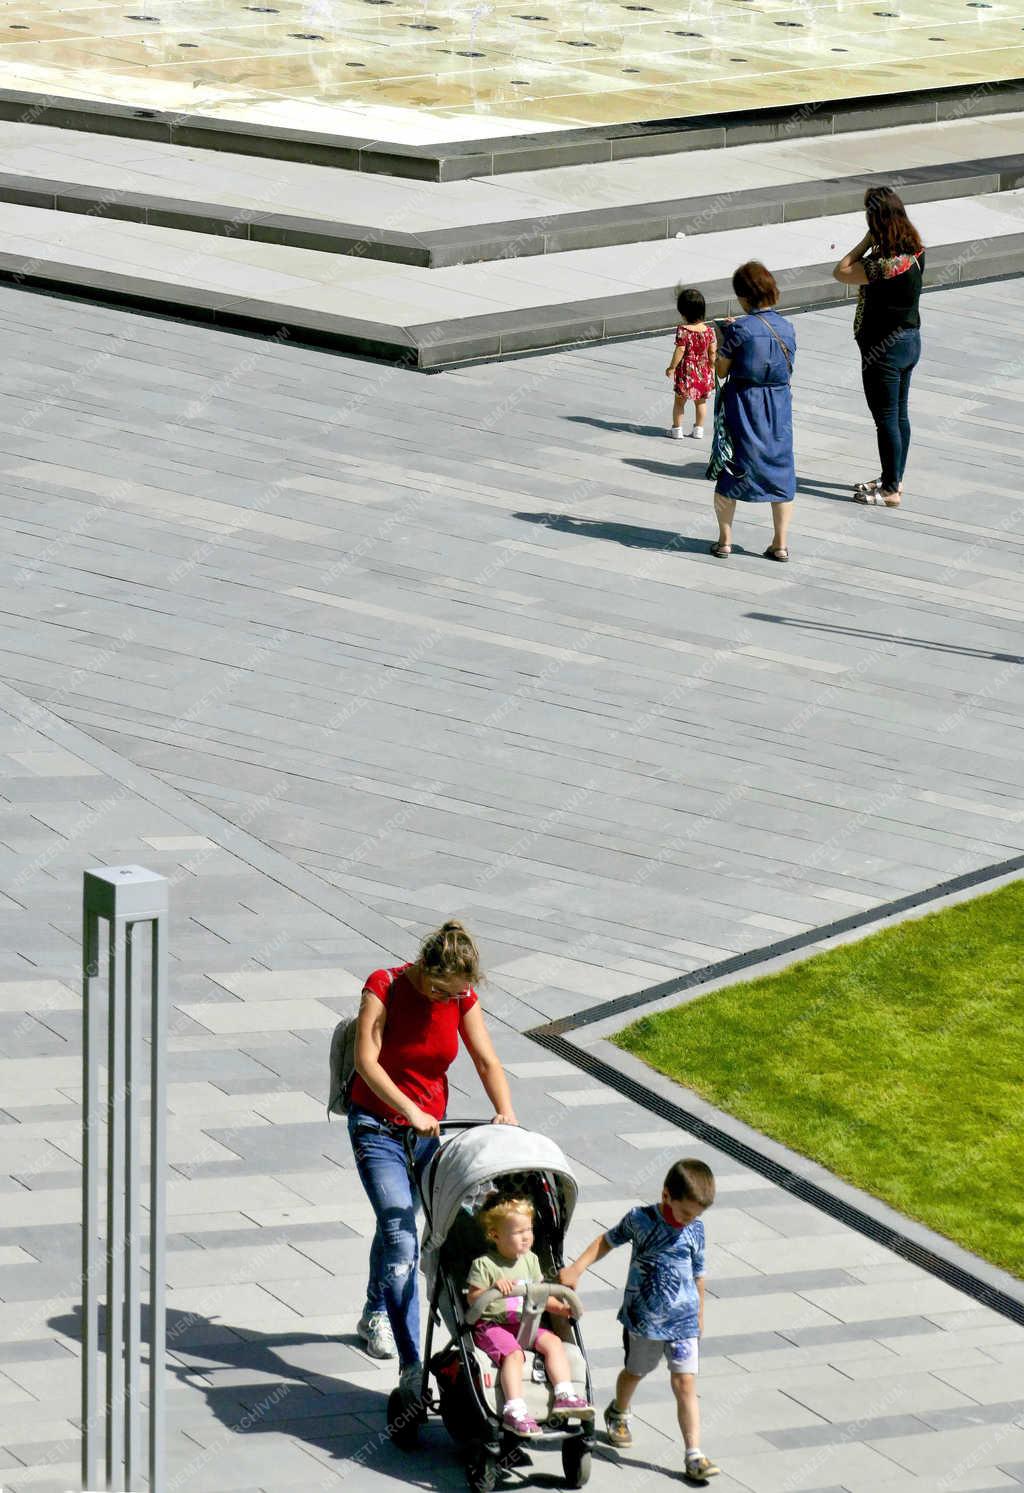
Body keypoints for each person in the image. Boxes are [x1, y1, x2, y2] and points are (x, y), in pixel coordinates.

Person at [348, 919, 517, 1409]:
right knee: (401, 1234)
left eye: (458, 995)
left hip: (430, 1132)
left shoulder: (461, 997)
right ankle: (409, 1366)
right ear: (426, 970)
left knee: (397, 1223)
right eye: (444, 993)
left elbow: (486, 1060)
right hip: (378, 1128)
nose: (449, 1002)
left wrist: (506, 1114)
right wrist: (410, 1110)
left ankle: (375, 1307)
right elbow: (366, 1061)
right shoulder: (384, 986)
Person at [560, 1159, 719, 1483]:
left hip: (684, 1322)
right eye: (686, 1213)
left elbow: (698, 1274)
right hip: (644, 1320)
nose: (690, 1221)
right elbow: (607, 1241)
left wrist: (700, 1313)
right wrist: (577, 1268)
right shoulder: (641, 1220)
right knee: (635, 1372)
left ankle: (694, 1454)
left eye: (697, 1216)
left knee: (685, 1383)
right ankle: (619, 1410)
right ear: (666, 1196)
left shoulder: (696, 1230)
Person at [467, 1196, 594, 1437]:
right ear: (496, 1235)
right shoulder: (484, 1264)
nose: (526, 1236)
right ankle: (514, 1410)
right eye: (518, 1232)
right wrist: (493, 1288)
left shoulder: (532, 1260)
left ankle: (564, 1395)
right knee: (514, 1355)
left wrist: (562, 1309)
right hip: (492, 1325)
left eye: (529, 1230)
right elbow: (473, 1300)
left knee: (554, 1342)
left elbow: (540, 1295)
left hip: (524, 1322)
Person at [833, 186, 925, 507]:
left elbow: (841, 271)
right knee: (899, 413)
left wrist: (865, 242)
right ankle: (894, 477)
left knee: (885, 417)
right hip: (910, 341)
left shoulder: (883, 265)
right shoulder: (915, 253)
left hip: (883, 350)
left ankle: (890, 490)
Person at [710, 262, 796, 562]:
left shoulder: (741, 329)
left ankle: (725, 541)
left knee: (732, 467)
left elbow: (721, 369)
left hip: (744, 404)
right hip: (778, 405)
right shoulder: (787, 327)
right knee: (781, 470)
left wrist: (723, 337)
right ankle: (780, 543)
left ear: (745, 297)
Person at [666, 287, 717, 440]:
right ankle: (699, 430)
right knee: (700, 402)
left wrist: (672, 367)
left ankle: (677, 429)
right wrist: (712, 367)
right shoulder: (709, 331)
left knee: (679, 402)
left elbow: (680, 350)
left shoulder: (683, 330)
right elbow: (712, 352)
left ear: (683, 312)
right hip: (703, 372)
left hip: (686, 373)